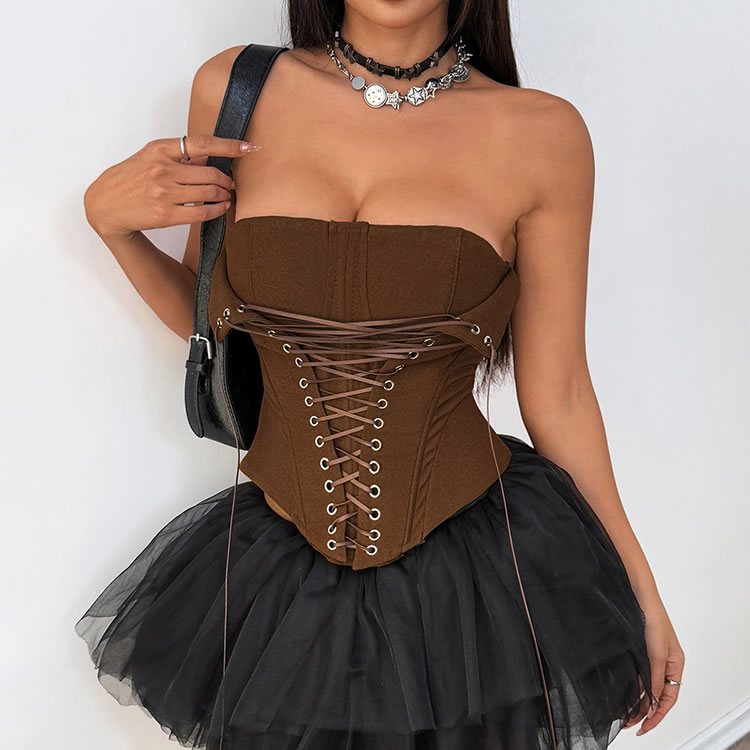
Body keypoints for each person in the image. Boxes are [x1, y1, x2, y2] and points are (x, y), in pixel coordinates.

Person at [74, 2, 685, 748]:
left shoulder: (543, 134)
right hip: (277, 583)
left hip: (477, 582)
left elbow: (558, 395)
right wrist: (111, 225)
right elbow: (212, 323)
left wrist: (640, 589)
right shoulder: (235, 89)